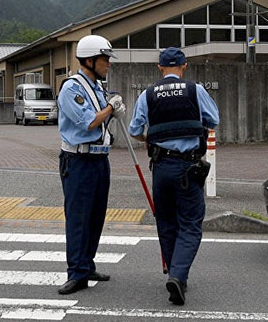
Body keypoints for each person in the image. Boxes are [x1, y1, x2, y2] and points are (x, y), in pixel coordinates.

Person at [128, 47, 219, 305]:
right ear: (184, 66)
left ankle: (175, 272)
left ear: (159, 68)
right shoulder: (195, 90)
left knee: (166, 222)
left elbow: (135, 130)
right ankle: (178, 275)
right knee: (190, 223)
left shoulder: (147, 95)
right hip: (188, 168)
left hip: (161, 168)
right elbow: (213, 120)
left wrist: (153, 138)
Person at [57, 35, 125, 295]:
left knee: (96, 215)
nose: (108, 63)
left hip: (99, 158)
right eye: (104, 58)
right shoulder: (72, 88)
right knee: (78, 218)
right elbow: (89, 122)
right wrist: (111, 107)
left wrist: (110, 108)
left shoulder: (97, 85)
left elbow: (102, 118)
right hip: (78, 160)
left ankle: (87, 264)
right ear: (89, 59)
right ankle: (76, 273)